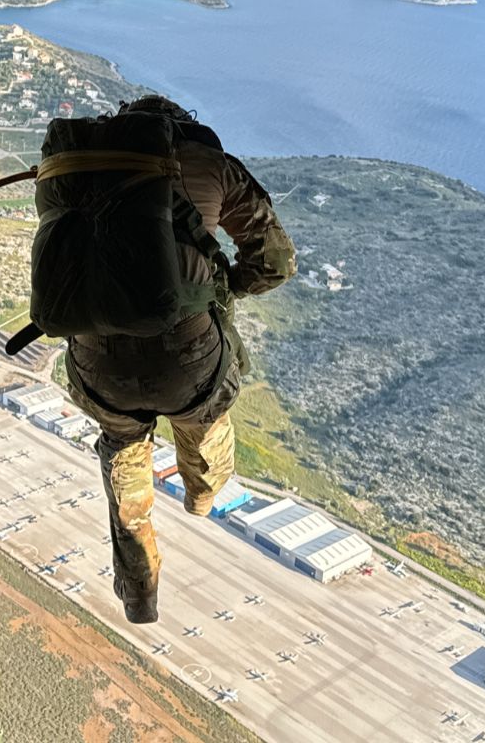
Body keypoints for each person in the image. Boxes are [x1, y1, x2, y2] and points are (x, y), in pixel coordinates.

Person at [66, 95, 296, 624]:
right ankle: (201, 495)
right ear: (183, 128)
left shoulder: (77, 165)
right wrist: (219, 291)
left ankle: (138, 591)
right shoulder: (211, 165)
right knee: (203, 419)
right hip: (189, 362)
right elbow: (276, 262)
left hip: (99, 366)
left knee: (122, 448)